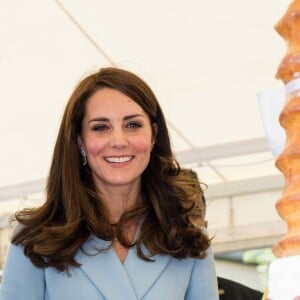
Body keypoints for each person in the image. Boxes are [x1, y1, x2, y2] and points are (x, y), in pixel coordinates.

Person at [0, 67, 218, 299]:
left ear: (153, 135)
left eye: (133, 125)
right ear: (80, 141)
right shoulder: (35, 239)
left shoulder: (188, 239)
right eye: (101, 127)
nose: (118, 141)